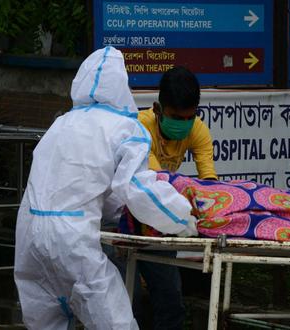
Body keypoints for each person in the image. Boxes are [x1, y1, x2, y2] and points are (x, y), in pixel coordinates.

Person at [13, 47, 198, 330]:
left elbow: (88, 186)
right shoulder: (125, 128)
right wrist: (185, 220)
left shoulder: (60, 124)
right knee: (115, 323)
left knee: (45, 322)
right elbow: (136, 188)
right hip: (74, 238)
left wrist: (116, 215)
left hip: (29, 233)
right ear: (122, 86)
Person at [107, 66, 217, 330]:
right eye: (175, 117)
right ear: (157, 109)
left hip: (157, 223)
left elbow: (209, 183)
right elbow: (156, 182)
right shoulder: (139, 127)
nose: (182, 123)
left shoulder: (198, 130)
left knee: (170, 303)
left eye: (188, 118)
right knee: (124, 305)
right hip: (118, 222)